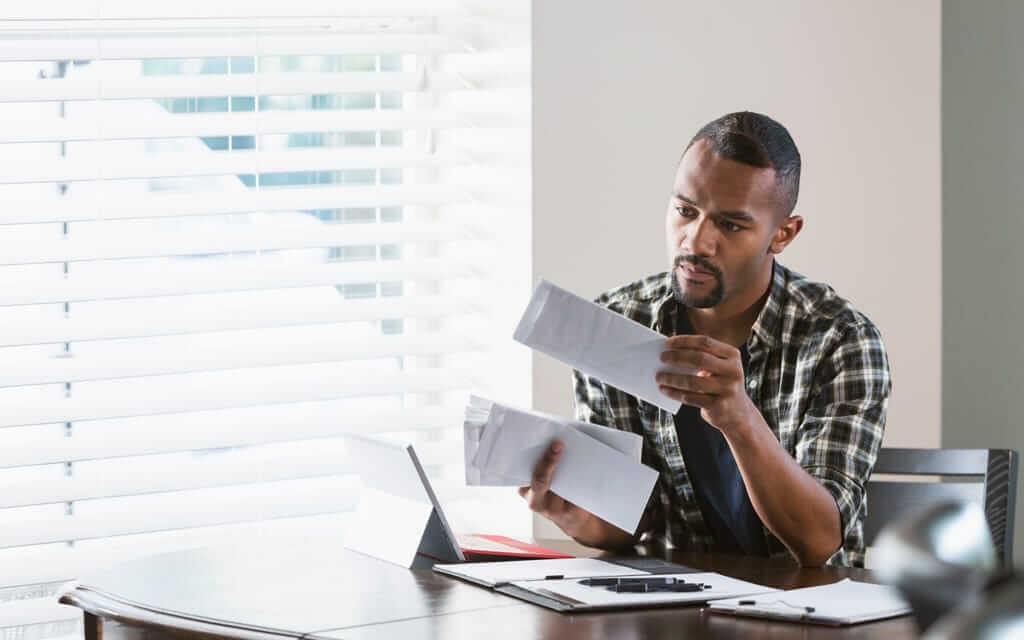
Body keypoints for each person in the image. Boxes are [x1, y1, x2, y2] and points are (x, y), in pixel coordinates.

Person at [519, 111, 891, 567]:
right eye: (685, 211)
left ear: (783, 234)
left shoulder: (840, 340)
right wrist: (574, 515)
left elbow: (818, 543)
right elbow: (630, 523)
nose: (696, 242)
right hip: (671, 609)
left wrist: (738, 417)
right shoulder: (619, 321)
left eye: (731, 225)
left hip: (807, 614)